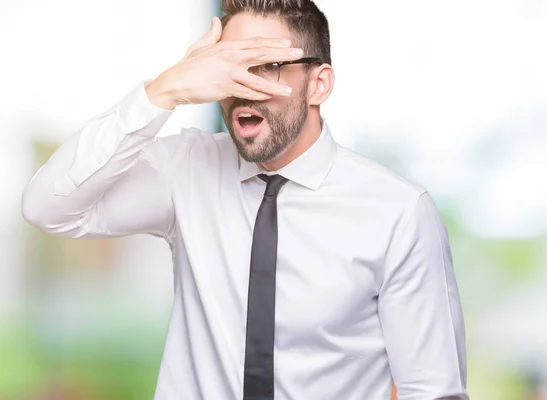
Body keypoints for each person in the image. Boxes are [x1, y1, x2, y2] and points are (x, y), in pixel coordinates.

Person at [21, 0, 469, 399]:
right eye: (227, 66)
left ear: (319, 84)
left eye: (266, 65)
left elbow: (432, 389)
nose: (242, 86)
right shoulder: (185, 170)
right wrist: (164, 90)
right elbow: (48, 206)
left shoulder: (397, 212)